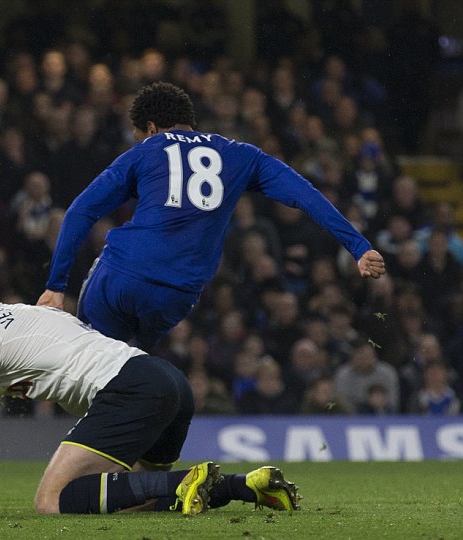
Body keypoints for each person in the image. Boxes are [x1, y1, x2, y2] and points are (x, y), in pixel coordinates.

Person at [0, 255, 300, 516]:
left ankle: (187, 480)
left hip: (128, 389)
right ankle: (246, 485)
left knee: (52, 500)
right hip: (167, 381)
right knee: (138, 498)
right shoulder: (26, 316)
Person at [37, 82, 385, 350]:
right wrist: (358, 247)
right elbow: (307, 197)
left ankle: (39, 377)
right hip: (178, 295)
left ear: (152, 128)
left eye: (140, 134)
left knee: (86, 356)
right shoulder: (242, 155)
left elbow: (81, 210)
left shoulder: (147, 150)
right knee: (127, 372)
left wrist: (56, 286)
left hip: (123, 276)